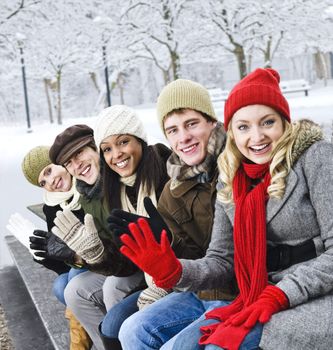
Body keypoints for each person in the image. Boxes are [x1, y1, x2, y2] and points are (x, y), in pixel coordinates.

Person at [117, 68, 331, 350]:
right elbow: (222, 259)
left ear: (284, 122)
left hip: (313, 291)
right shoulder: (233, 178)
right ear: (233, 131)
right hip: (256, 291)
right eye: (243, 127)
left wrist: (281, 294)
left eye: (267, 122)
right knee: (133, 329)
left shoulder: (315, 158)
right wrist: (172, 270)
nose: (256, 137)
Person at [102, 80, 234, 348]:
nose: (183, 137)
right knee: (131, 330)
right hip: (203, 288)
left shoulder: (235, 164)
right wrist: (168, 244)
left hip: (238, 289)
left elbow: (226, 255)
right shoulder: (172, 193)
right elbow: (194, 257)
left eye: (191, 123)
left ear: (211, 121)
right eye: (172, 129)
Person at [49, 124, 144, 350]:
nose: (76, 165)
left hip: (143, 262)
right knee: (73, 290)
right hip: (122, 262)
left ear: (96, 147)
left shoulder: (121, 176)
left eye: (79, 153)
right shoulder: (86, 196)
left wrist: (88, 256)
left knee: (112, 287)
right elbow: (106, 249)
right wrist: (78, 254)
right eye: (69, 163)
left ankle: (122, 340)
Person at [21, 145, 92, 350]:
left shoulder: (87, 182)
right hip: (80, 266)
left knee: (70, 285)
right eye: (42, 182)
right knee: (61, 285)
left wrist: (72, 253)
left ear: (60, 161)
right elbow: (66, 266)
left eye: (49, 170)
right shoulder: (52, 207)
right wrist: (47, 256)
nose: (50, 182)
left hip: (102, 256)